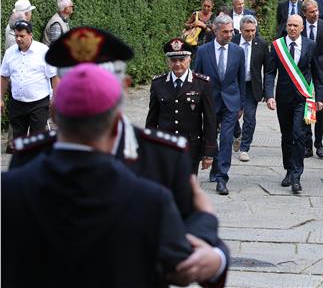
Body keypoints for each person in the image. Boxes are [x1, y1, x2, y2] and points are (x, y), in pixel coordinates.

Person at [11, 26, 229, 285]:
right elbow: (181, 258)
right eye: (76, 74)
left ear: (56, 108)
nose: (86, 82)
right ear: (121, 94)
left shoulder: (162, 155)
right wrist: (212, 236)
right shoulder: (30, 155)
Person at [1, 64, 194, 288]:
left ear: (54, 115)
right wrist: (207, 219)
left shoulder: (7, 189)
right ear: (116, 125)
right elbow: (180, 267)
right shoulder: (152, 200)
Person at [265, 14, 323, 194]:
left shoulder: (311, 45)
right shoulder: (277, 46)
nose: (291, 28)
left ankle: (297, 175)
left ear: (302, 28)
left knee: (299, 135)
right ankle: (288, 170)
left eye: (295, 26)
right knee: (286, 136)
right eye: (289, 25)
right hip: (283, 98)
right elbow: (269, 72)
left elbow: (317, 73)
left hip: (303, 98)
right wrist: (269, 95)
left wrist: (320, 97)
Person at [193, 15, 247, 196]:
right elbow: (196, 78)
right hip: (209, 102)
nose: (230, 34)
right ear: (215, 31)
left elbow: (241, 79)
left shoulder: (238, 52)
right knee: (210, 138)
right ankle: (215, 167)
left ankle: (222, 177)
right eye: (225, 32)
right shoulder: (203, 51)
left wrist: (241, 104)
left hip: (230, 102)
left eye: (231, 31)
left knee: (226, 139)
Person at [146, 38, 217, 176]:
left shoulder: (202, 84)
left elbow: (210, 120)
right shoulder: (158, 83)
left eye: (181, 59)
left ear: (189, 59)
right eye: (173, 60)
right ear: (167, 61)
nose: (177, 64)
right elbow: (152, 119)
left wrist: (208, 152)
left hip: (191, 146)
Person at [1, 20, 58, 140]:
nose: (18, 39)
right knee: (18, 141)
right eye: (16, 36)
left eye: (22, 36)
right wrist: (0, 98)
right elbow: (4, 76)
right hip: (17, 104)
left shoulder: (43, 51)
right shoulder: (10, 53)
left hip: (39, 104)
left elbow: (54, 76)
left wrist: (55, 98)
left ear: (30, 35)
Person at [231, 15, 269, 162]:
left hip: (252, 86)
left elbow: (268, 69)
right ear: (240, 30)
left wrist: (267, 91)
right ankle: (237, 134)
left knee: (250, 118)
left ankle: (244, 148)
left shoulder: (262, 44)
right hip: (233, 86)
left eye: (253, 30)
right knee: (231, 115)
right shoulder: (233, 42)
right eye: (247, 31)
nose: (250, 34)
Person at [301, 0, 323, 159]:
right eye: (311, 12)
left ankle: (319, 143)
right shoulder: (299, 27)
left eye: (316, 11)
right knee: (307, 106)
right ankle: (307, 144)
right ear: (304, 14)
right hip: (305, 71)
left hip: (322, 71)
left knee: (320, 106)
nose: (315, 14)